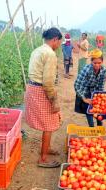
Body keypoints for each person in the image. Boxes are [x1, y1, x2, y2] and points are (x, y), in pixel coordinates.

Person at [25, 27, 62, 168]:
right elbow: (47, 82)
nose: (59, 45)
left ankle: (47, 149)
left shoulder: (37, 50)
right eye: (59, 41)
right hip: (41, 90)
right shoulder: (50, 54)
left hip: (32, 88)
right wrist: (54, 100)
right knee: (49, 124)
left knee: (48, 122)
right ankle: (43, 159)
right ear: (55, 40)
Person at [74, 48, 106, 127]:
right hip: (85, 91)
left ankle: (100, 127)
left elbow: (101, 85)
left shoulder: (104, 71)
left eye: (99, 63)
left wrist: (100, 97)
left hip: (95, 91)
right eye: (95, 63)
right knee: (89, 110)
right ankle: (91, 127)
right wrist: (84, 98)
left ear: (102, 62)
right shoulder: (86, 69)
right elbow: (77, 85)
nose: (97, 65)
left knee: (99, 110)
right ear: (91, 61)